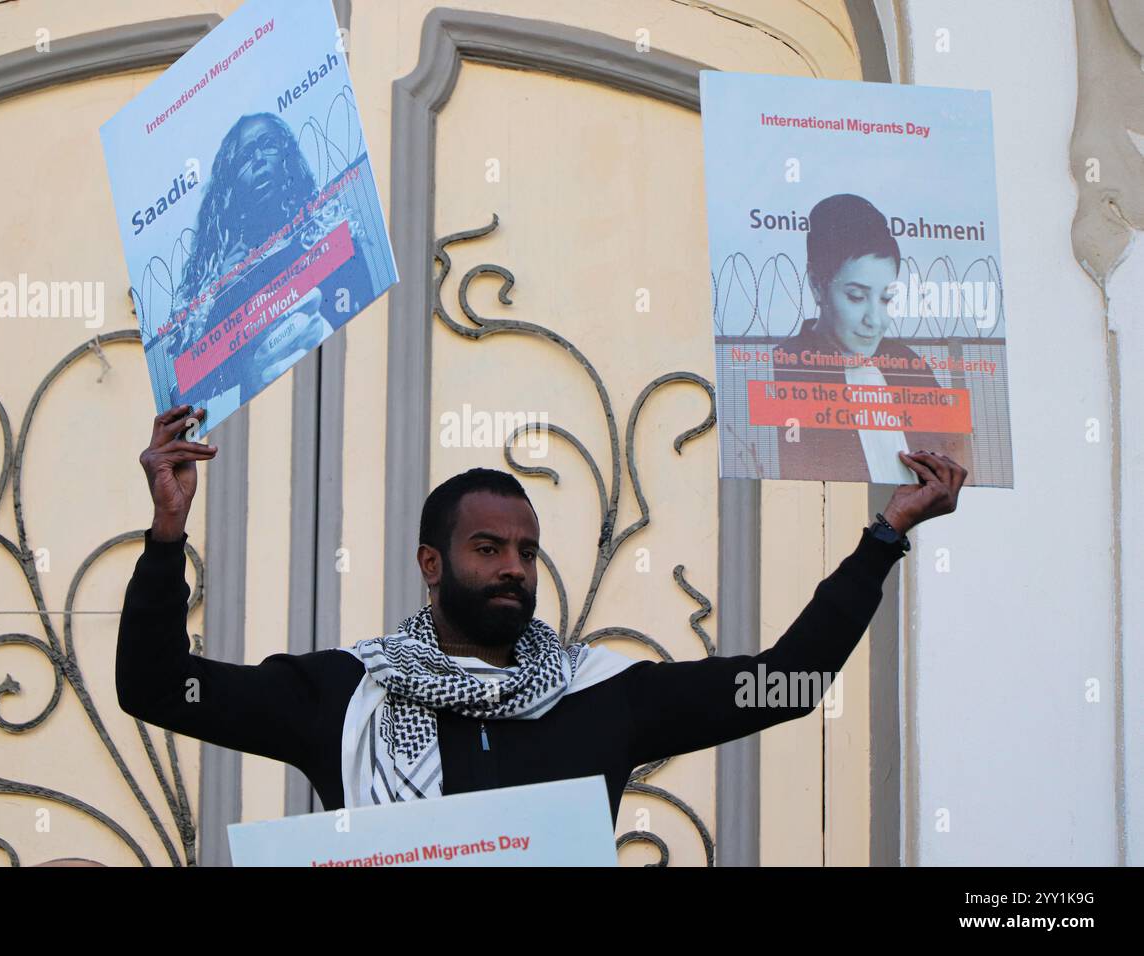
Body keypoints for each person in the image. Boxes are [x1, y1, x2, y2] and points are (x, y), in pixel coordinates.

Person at [117, 405, 966, 825]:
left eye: (526, 551)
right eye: (487, 549)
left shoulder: (604, 694)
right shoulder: (342, 695)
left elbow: (785, 686)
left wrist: (883, 537)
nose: (514, 569)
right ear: (431, 563)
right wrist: (165, 536)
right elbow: (155, 686)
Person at [166, 112, 378, 408]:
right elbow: (190, 393)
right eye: (244, 158)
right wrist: (220, 297)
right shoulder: (220, 281)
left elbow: (363, 307)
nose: (258, 160)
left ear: (287, 155)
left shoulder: (329, 234)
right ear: (230, 188)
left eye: (268, 145)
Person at [771, 193, 974, 483]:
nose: (874, 320)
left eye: (887, 299)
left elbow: (955, 459)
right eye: (856, 297)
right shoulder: (782, 369)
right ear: (817, 286)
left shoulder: (907, 364)